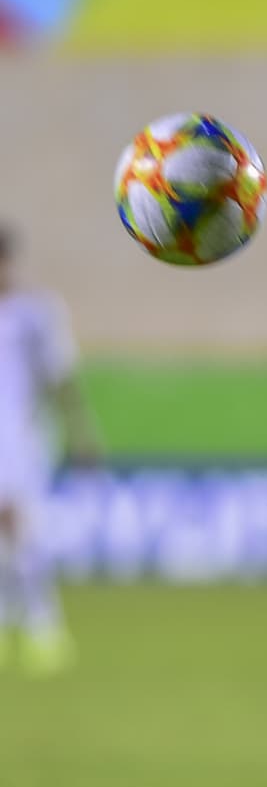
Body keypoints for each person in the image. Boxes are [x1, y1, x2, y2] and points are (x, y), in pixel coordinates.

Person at [0, 223, 96, 676]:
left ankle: (45, 625)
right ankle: (12, 623)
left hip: (19, 435)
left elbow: (61, 378)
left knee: (18, 526)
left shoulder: (35, 314)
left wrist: (81, 434)